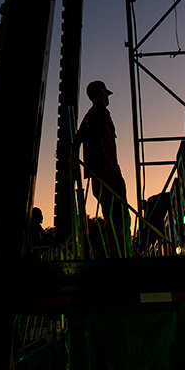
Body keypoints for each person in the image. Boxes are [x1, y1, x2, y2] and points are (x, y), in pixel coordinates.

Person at [73, 80, 130, 258]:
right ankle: (121, 256)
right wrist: (114, 168)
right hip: (107, 174)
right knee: (120, 218)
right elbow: (105, 141)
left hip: (96, 176)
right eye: (106, 93)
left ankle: (116, 256)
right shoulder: (101, 114)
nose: (107, 97)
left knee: (110, 217)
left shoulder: (89, 116)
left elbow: (77, 140)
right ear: (101, 93)